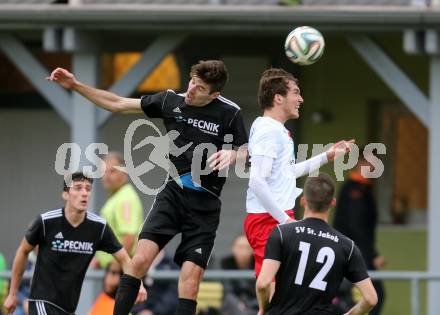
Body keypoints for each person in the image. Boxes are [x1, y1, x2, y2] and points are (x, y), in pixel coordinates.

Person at [47, 60, 248, 315]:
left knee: (191, 280)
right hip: (173, 194)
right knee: (139, 260)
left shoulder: (230, 113)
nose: (192, 90)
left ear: (215, 94)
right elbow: (118, 103)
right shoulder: (170, 102)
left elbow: (248, 150)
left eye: (200, 88)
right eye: (192, 82)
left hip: (205, 206)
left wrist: (233, 154)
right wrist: (75, 85)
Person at [245, 68, 354, 278]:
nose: (301, 99)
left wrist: (327, 156)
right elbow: (257, 182)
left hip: (275, 218)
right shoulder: (268, 131)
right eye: (295, 92)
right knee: (272, 289)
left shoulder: (276, 129)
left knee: (286, 289)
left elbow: (286, 173)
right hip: (267, 220)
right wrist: (285, 221)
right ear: (278, 98)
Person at [3, 172, 146, 315]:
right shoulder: (46, 222)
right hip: (42, 302)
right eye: (78, 188)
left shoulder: (99, 228)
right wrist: (13, 294)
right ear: (65, 195)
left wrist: (138, 283)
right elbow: (23, 250)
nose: (84, 193)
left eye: (88, 189)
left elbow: (124, 258)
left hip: (68, 308)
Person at [256, 173, 378, 315]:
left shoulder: (282, 233)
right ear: (332, 202)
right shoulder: (347, 246)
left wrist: (263, 309)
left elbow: (263, 284)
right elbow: (371, 299)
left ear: (303, 201)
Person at [333, 153, 386, 315]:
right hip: (356, 254)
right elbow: (355, 227)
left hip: (355, 252)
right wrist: (373, 255)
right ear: (360, 163)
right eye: (371, 163)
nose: (373, 167)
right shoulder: (354, 190)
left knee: (357, 297)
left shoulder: (361, 188)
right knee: (374, 295)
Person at [94, 152, 144, 269]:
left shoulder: (126, 198)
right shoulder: (117, 197)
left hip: (120, 269)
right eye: (104, 172)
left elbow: (129, 236)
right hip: (115, 267)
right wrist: (100, 260)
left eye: (112, 171)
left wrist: (115, 269)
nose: (107, 176)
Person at [131, 250, 178, 315]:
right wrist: (140, 311)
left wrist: (153, 312)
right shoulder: (138, 263)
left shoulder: (172, 265)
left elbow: (173, 295)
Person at [220, 235, 257, 315]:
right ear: (233, 248)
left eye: (247, 248)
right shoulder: (226, 263)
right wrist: (238, 304)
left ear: (252, 250)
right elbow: (228, 291)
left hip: (253, 305)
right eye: (240, 247)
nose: (243, 252)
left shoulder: (257, 264)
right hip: (232, 304)